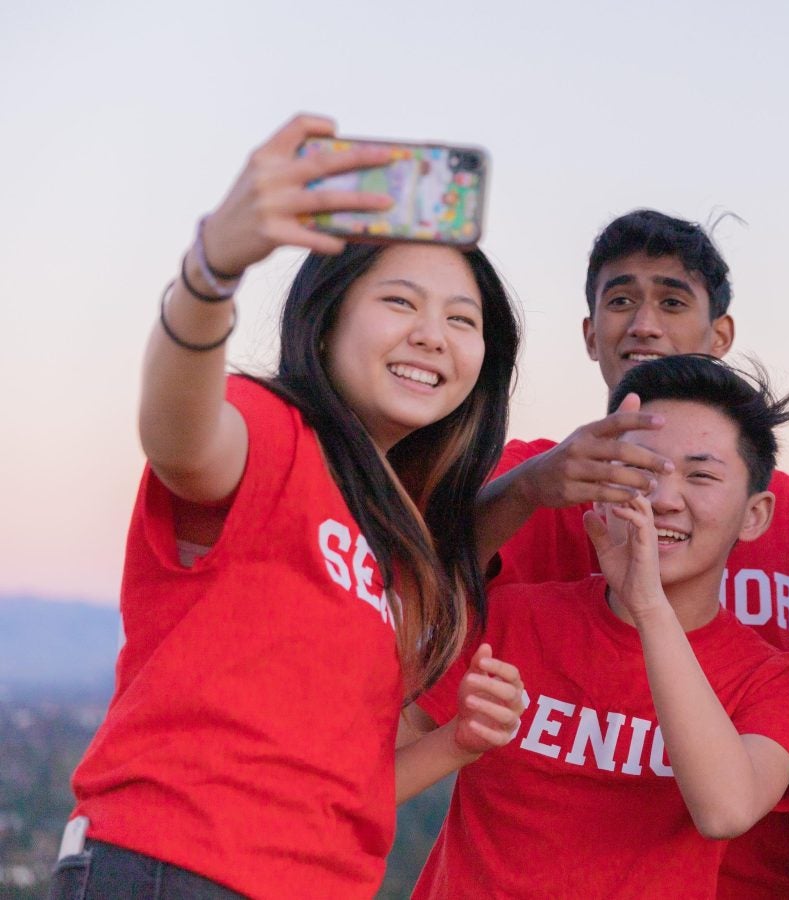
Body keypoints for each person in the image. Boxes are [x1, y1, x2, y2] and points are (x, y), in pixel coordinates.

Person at [55, 115, 522, 900]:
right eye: (401, 302)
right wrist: (210, 274)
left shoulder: (397, 544)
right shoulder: (271, 431)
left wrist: (457, 743)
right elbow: (180, 438)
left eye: (462, 320)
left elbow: (336, 787)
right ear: (328, 314)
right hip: (175, 867)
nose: (432, 336)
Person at [472, 209, 789, 896]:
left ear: (720, 333)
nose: (644, 323)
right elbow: (420, 590)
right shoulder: (536, 480)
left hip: (754, 866)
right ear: (590, 334)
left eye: (672, 300)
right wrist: (531, 489)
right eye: (620, 301)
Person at [402, 355, 789, 898]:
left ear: (755, 514)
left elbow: (724, 810)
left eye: (702, 476)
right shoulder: (510, 620)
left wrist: (648, 607)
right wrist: (457, 745)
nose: (665, 500)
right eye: (641, 471)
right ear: (601, 487)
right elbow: (365, 773)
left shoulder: (773, 681)